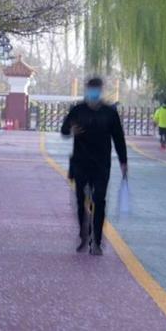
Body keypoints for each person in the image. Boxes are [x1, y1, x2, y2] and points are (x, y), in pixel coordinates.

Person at [61, 77, 128, 256]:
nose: (94, 91)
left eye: (97, 88)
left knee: (100, 200)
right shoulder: (77, 110)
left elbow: (119, 138)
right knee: (80, 201)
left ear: (101, 90)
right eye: (91, 88)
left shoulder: (109, 113)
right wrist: (71, 131)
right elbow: (64, 130)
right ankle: (84, 234)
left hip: (101, 164)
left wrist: (123, 161)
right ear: (87, 89)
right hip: (80, 163)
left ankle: (96, 241)